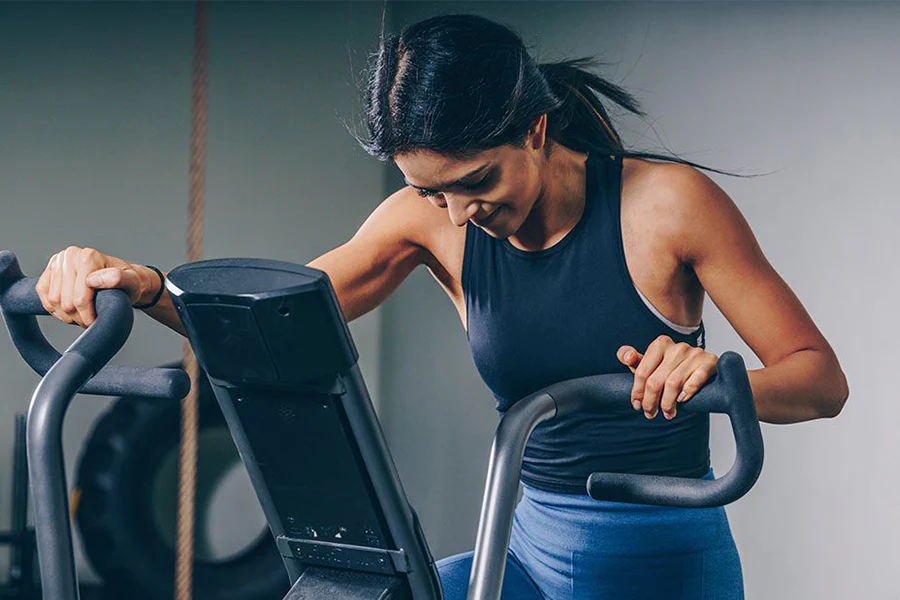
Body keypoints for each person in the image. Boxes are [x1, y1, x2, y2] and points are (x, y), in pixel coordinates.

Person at [36, 13, 848, 600]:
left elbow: (819, 381)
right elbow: (268, 320)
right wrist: (140, 282)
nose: (457, 214)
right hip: (524, 552)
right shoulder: (426, 220)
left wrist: (718, 377)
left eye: (475, 183)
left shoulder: (665, 206)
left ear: (535, 129)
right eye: (428, 190)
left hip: (666, 565)